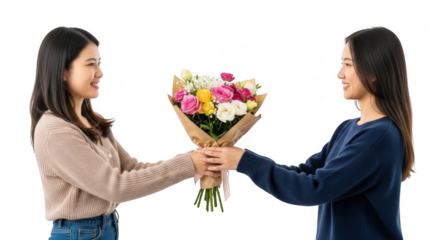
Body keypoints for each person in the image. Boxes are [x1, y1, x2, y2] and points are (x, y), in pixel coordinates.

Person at [197, 26, 417, 240]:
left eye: (347, 64)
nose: (339, 74)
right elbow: (305, 173)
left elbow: (313, 189)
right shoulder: (349, 128)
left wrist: (245, 161)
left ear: (373, 71)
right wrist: (237, 158)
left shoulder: (378, 138)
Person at [28, 26, 218, 240]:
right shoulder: (56, 131)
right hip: (79, 234)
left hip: (104, 228)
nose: (100, 73)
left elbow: (132, 169)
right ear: (62, 71)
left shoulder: (91, 119)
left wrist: (197, 159)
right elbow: (115, 186)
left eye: (99, 64)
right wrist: (189, 164)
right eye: (90, 64)